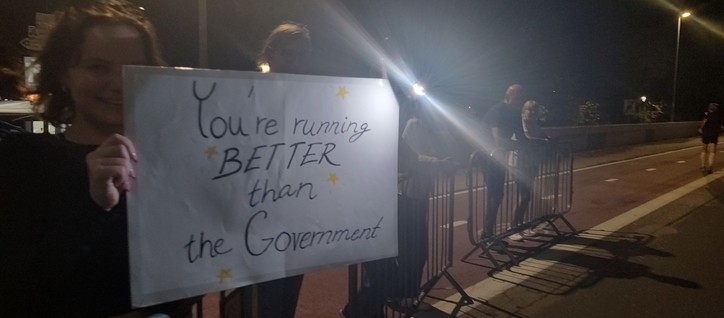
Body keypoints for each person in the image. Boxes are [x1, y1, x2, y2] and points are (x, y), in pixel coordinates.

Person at [0, 1, 194, 316]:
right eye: (97, 67)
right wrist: (93, 207)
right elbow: (15, 287)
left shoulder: (166, 164)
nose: (118, 83)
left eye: (134, 68)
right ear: (64, 74)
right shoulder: (23, 160)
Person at [229, 21, 312, 318]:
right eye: (288, 54)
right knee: (254, 296)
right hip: (252, 213)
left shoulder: (314, 98)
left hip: (294, 215)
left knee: (285, 293)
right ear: (270, 53)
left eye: (302, 55)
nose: (295, 62)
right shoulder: (246, 93)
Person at [481, 84, 526, 248]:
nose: (520, 101)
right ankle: (487, 236)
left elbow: (521, 135)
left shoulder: (514, 113)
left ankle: (488, 234)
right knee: (495, 196)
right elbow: (498, 139)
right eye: (517, 97)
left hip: (499, 158)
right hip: (488, 157)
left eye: (522, 97)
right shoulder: (498, 110)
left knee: (497, 195)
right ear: (508, 96)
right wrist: (519, 145)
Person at [507, 100, 548, 241]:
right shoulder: (519, 125)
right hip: (519, 164)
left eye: (534, 111)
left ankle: (521, 226)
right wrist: (540, 141)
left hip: (531, 163)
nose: (531, 113)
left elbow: (543, 137)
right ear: (523, 111)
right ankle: (513, 228)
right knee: (524, 196)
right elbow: (527, 139)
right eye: (529, 110)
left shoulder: (536, 125)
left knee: (527, 197)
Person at [698, 102, 723, 174]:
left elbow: (704, 121)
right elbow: (721, 126)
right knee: (712, 151)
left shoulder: (706, 114)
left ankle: (703, 166)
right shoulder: (718, 115)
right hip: (714, 134)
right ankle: (710, 166)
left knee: (704, 150)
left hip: (706, 133)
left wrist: (701, 128)